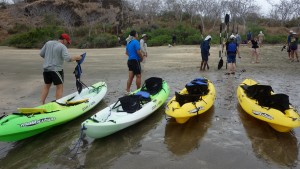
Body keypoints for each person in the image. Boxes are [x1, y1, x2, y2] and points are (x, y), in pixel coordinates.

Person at [40, 33, 82, 104]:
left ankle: (42, 103)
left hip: (46, 69)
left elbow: (41, 54)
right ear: (64, 40)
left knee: (46, 86)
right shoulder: (62, 47)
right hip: (56, 70)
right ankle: (58, 104)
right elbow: (68, 59)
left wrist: (49, 59)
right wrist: (77, 57)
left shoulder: (48, 43)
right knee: (59, 86)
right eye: (67, 42)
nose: (67, 44)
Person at [125, 30, 144, 95]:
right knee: (138, 76)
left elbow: (126, 53)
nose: (137, 34)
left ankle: (127, 90)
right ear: (135, 35)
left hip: (130, 61)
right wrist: (141, 58)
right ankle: (138, 91)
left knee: (130, 77)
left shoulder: (128, 42)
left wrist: (132, 56)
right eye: (137, 33)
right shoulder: (136, 42)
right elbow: (138, 52)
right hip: (135, 61)